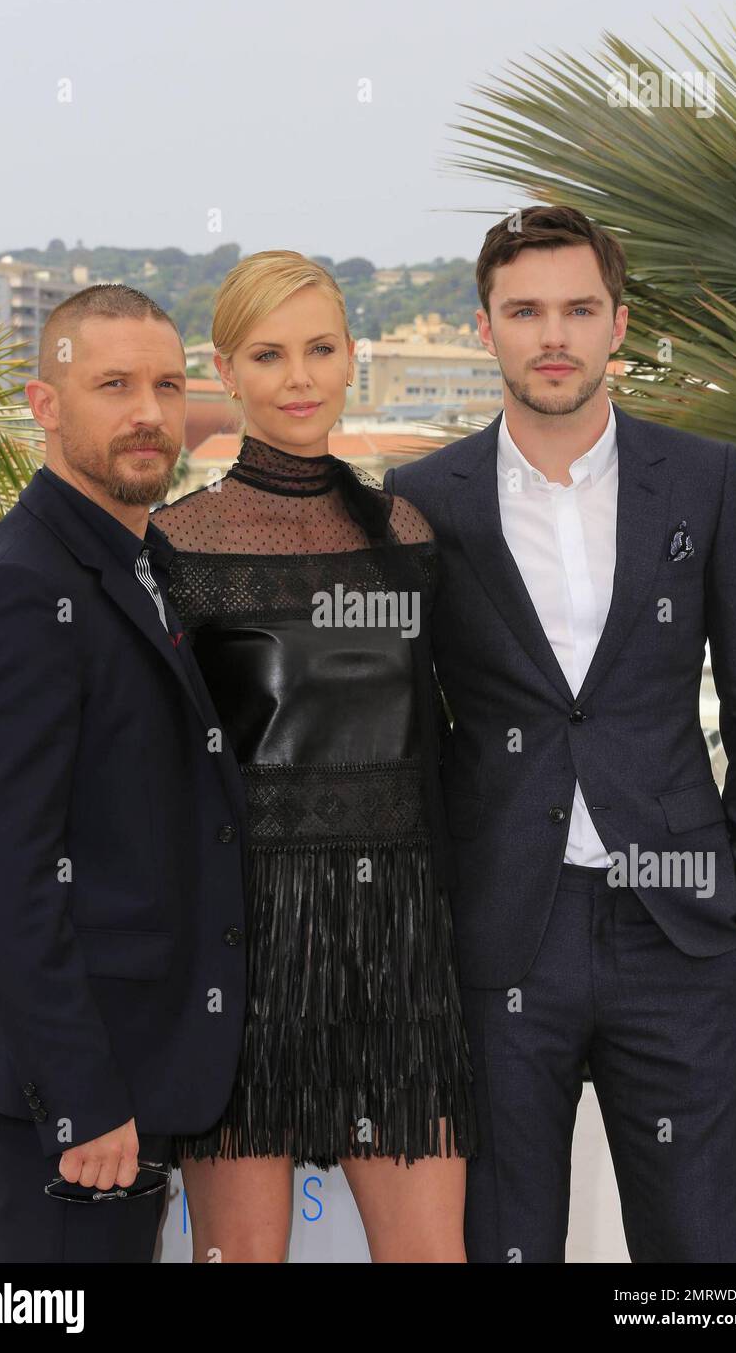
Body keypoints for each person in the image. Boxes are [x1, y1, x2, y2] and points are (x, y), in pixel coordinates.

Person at [383, 205, 736, 1263]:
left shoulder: (702, 481)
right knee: (504, 1244)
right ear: (484, 328)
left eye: (576, 309)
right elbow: (401, 727)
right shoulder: (422, 500)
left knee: (696, 1257)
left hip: (678, 933)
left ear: (617, 325)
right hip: (496, 938)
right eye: (524, 311)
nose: (551, 334)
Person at [149, 250, 477, 1263]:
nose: (297, 376)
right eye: (268, 353)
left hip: (398, 947)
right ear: (228, 371)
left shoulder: (407, 532)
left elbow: (449, 733)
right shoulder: (173, 546)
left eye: (319, 349)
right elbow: (154, 766)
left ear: (349, 363)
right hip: (242, 949)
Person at [0, 285, 247, 1262]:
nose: (148, 412)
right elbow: (2, 871)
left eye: (166, 383)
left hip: (131, 1067)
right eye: (112, 384)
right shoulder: (25, 588)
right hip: (76, 1092)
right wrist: (83, 1098)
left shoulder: (129, 557)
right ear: (45, 403)